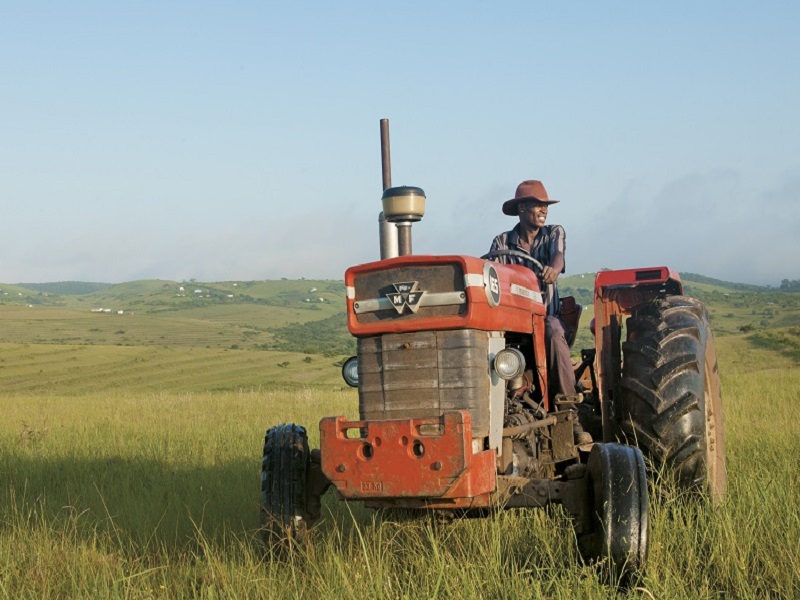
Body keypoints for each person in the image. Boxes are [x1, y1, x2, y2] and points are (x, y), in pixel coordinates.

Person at [488, 180, 576, 398]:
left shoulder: (553, 233)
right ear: (521, 208)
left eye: (545, 205)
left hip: (545, 316)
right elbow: (491, 273)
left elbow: (558, 256)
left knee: (554, 332)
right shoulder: (501, 242)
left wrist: (554, 270)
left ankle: (568, 405)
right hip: (511, 323)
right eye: (537, 204)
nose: (543, 209)